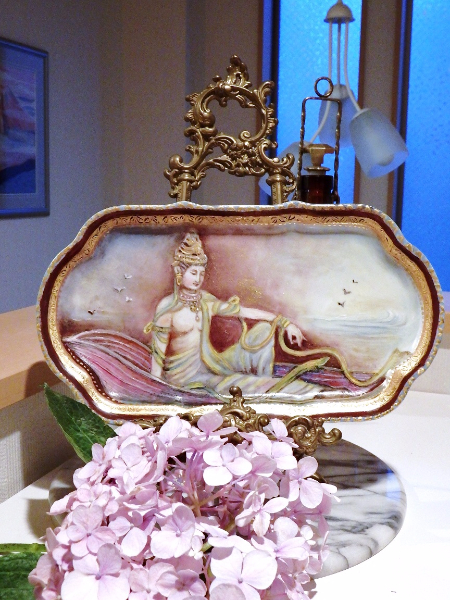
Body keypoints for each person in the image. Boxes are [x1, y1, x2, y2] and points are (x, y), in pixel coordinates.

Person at [143, 232, 321, 399]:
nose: (198, 279)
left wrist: (284, 322)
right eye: (193, 273)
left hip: (211, 366)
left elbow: (243, 311)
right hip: (188, 382)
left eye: (201, 273)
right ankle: (278, 390)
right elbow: (158, 356)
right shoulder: (167, 308)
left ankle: (268, 387)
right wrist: (156, 389)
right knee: (249, 385)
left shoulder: (205, 301)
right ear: (179, 272)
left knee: (263, 331)